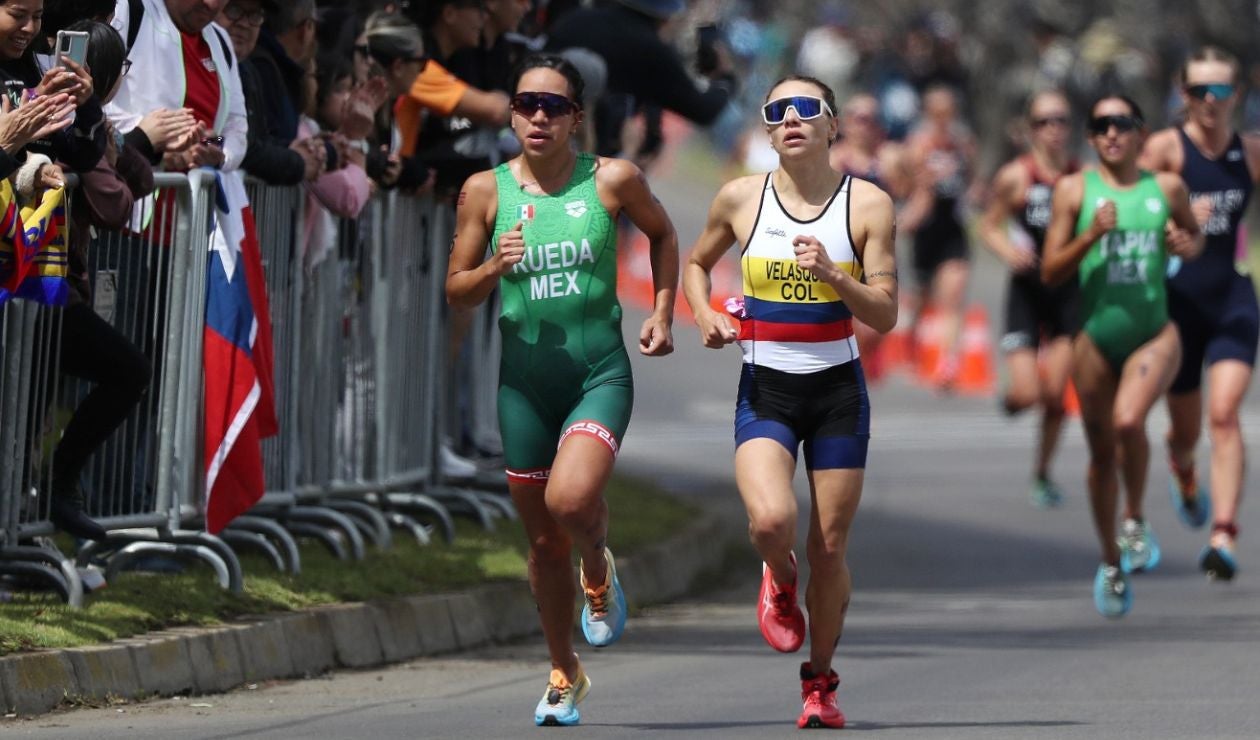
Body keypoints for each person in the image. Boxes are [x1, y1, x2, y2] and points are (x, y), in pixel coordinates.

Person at [445, 54, 677, 727]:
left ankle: (599, 572)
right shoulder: (485, 192)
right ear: (513, 113)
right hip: (523, 385)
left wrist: (661, 312)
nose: (538, 117)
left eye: (553, 106)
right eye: (525, 104)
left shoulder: (612, 180)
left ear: (577, 116)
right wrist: (495, 263)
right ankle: (563, 671)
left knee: (572, 499)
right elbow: (456, 289)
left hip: (597, 372)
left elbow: (662, 235)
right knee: (544, 544)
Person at [683, 75, 897, 729]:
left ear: (834, 127)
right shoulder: (741, 200)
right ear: (768, 130)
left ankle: (820, 680)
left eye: (808, 109)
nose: (793, 119)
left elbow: (885, 314)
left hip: (837, 392)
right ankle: (778, 576)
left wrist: (836, 276)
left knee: (829, 548)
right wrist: (703, 315)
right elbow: (695, 265)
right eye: (779, 112)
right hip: (766, 389)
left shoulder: (867, 207)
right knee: (771, 522)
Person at [1042, 95, 1202, 618]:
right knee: (1100, 454)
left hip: (1154, 334)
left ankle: (1134, 519)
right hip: (1094, 338)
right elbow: (1050, 272)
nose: (1112, 133)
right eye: (1101, 125)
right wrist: (1091, 233)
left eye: (1122, 124)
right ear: (1090, 138)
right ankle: (1110, 559)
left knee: (1130, 420)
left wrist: (1184, 242)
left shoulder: (1166, 188)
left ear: (1140, 132)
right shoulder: (1074, 190)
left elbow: (1191, 241)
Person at [1140, 46, 1260, 581]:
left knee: (1225, 413)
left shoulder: (1251, 152)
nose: (1210, 102)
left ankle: (1224, 535)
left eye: (1220, 91)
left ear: (1238, 94)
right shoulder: (1165, 149)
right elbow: (1129, 213)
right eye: (1198, 92)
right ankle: (1185, 470)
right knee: (1185, 431)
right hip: (1178, 301)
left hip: (1232, 294)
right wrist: (1171, 223)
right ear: (1182, 94)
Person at [978, 89, 1079, 508]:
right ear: (1029, 130)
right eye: (1043, 122)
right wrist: (1007, 251)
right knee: (1029, 394)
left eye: (1060, 120)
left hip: (1069, 294)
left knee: (1056, 395)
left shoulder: (1081, 177)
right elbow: (988, 225)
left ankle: (1042, 472)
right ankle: (1013, 399)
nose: (1053, 130)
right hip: (1026, 290)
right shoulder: (1016, 176)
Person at [903, 85, 976, 388]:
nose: (944, 117)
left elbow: (972, 175)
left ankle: (948, 363)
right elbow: (907, 182)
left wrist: (971, 196)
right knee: (922, 298)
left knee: (953, 296)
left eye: (948, 111)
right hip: (925, 229)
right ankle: (911, 346)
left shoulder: (963, 143)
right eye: (937, 112)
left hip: (953, 227)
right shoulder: (919, 143)